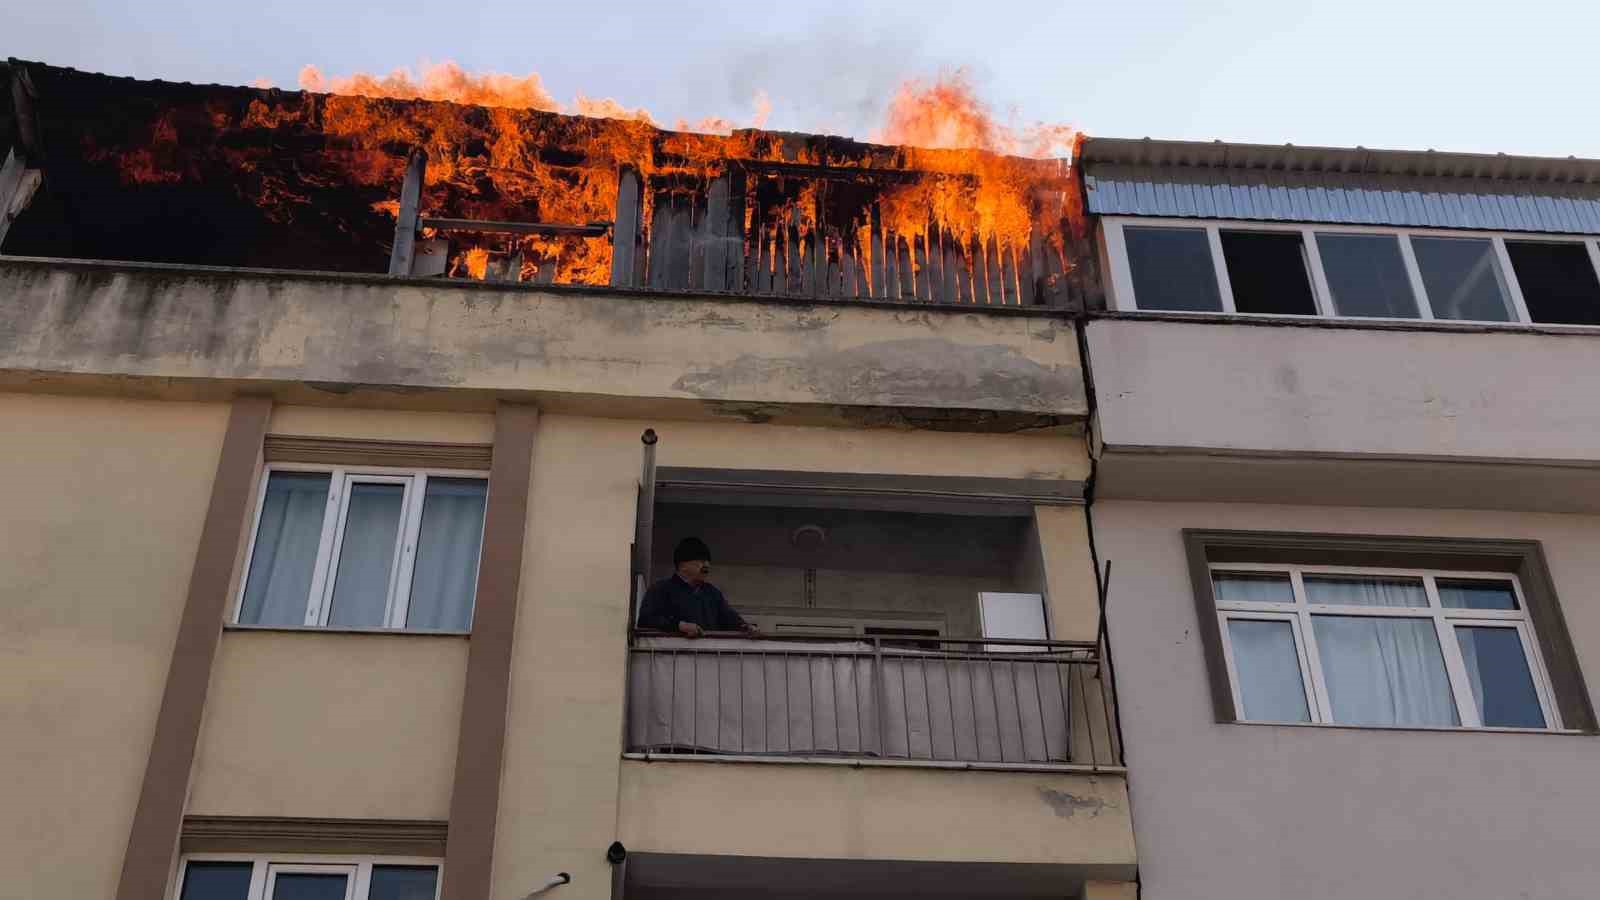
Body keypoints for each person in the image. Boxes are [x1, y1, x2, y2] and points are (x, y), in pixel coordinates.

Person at [637, 537, 756, 637]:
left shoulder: (713, 593)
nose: (706, 565)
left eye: (708, 561)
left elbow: (729, 618)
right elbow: (646, 620)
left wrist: (745, 627)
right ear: (682, 565)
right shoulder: (661, 589)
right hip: (671, 659)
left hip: (709, 660)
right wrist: (679, 626)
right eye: (701, 560)